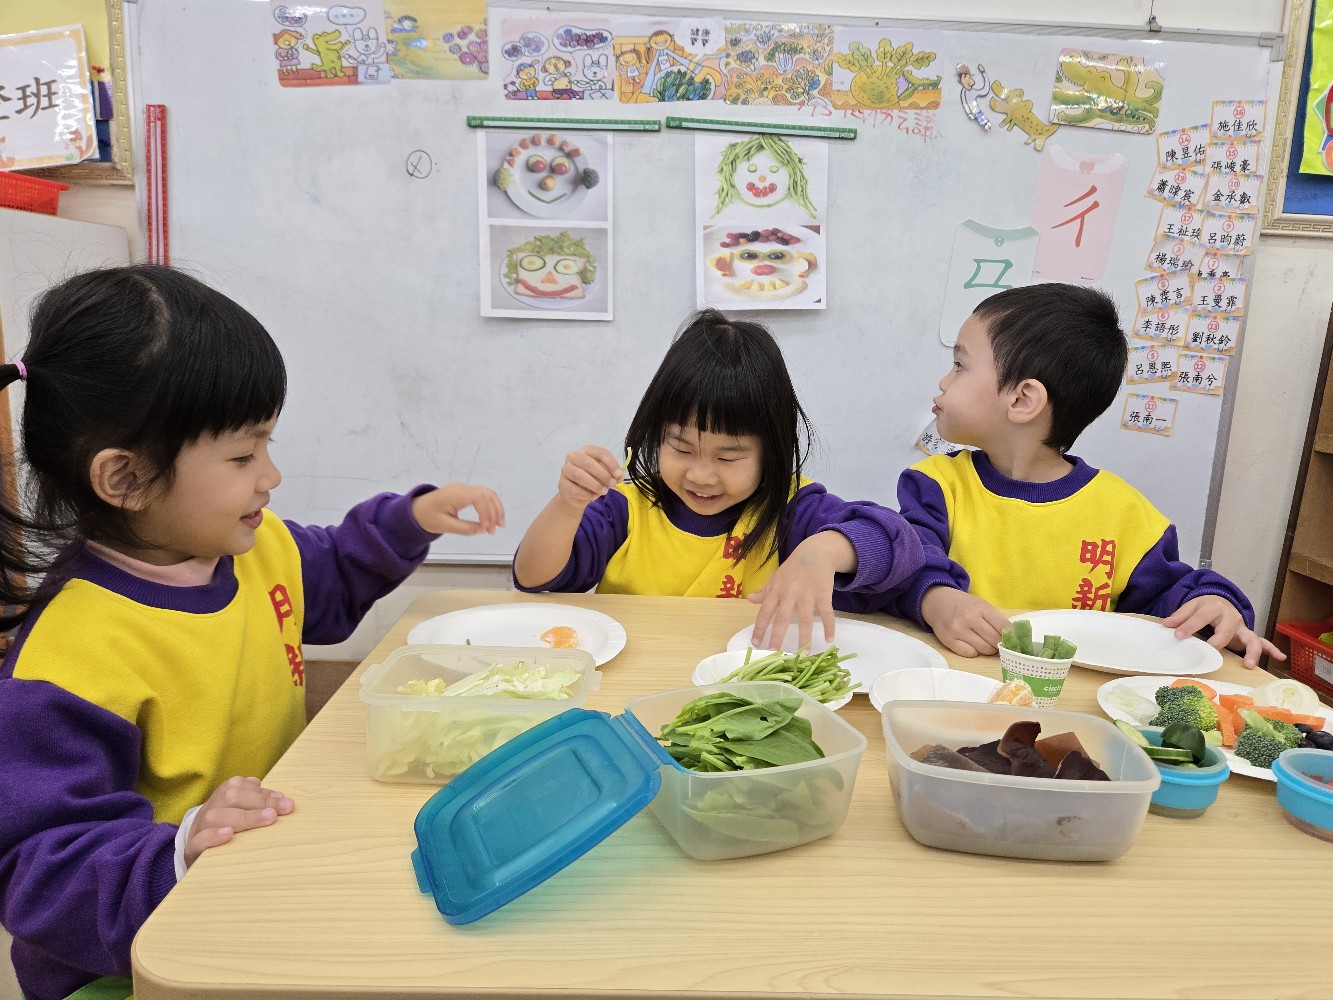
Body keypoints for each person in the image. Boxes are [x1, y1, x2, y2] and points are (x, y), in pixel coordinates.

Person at [0, 265, 504, 1000]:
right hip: (131, 958)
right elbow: (40, 867)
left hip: (260, 882)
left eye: (266, 445)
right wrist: (180, 850)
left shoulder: (253, 546)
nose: (270, 476)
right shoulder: (71, 655)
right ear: (125, 479)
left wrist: (409, 520)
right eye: (242, 456)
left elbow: (330, 574)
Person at [888, 282, 1282, 668]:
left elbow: (1170, 599)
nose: (944, 381)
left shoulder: (1124, 513)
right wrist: (935, 598)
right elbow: (902, 562)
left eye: (960, 366)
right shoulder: (936, 486)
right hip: (956, 684)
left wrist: (1213, 604)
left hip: (1071, 699)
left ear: (1023, 399)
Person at [512, 309, 923, 651]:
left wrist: (823, 552)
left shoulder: (792, 509)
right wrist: (567, 505)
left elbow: (900, 544)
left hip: (743, 691)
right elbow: (534, 578)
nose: (701, 475)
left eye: (728, 457)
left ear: (771, 450)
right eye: (681, 448)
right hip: (635, 683)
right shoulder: (627, 508)